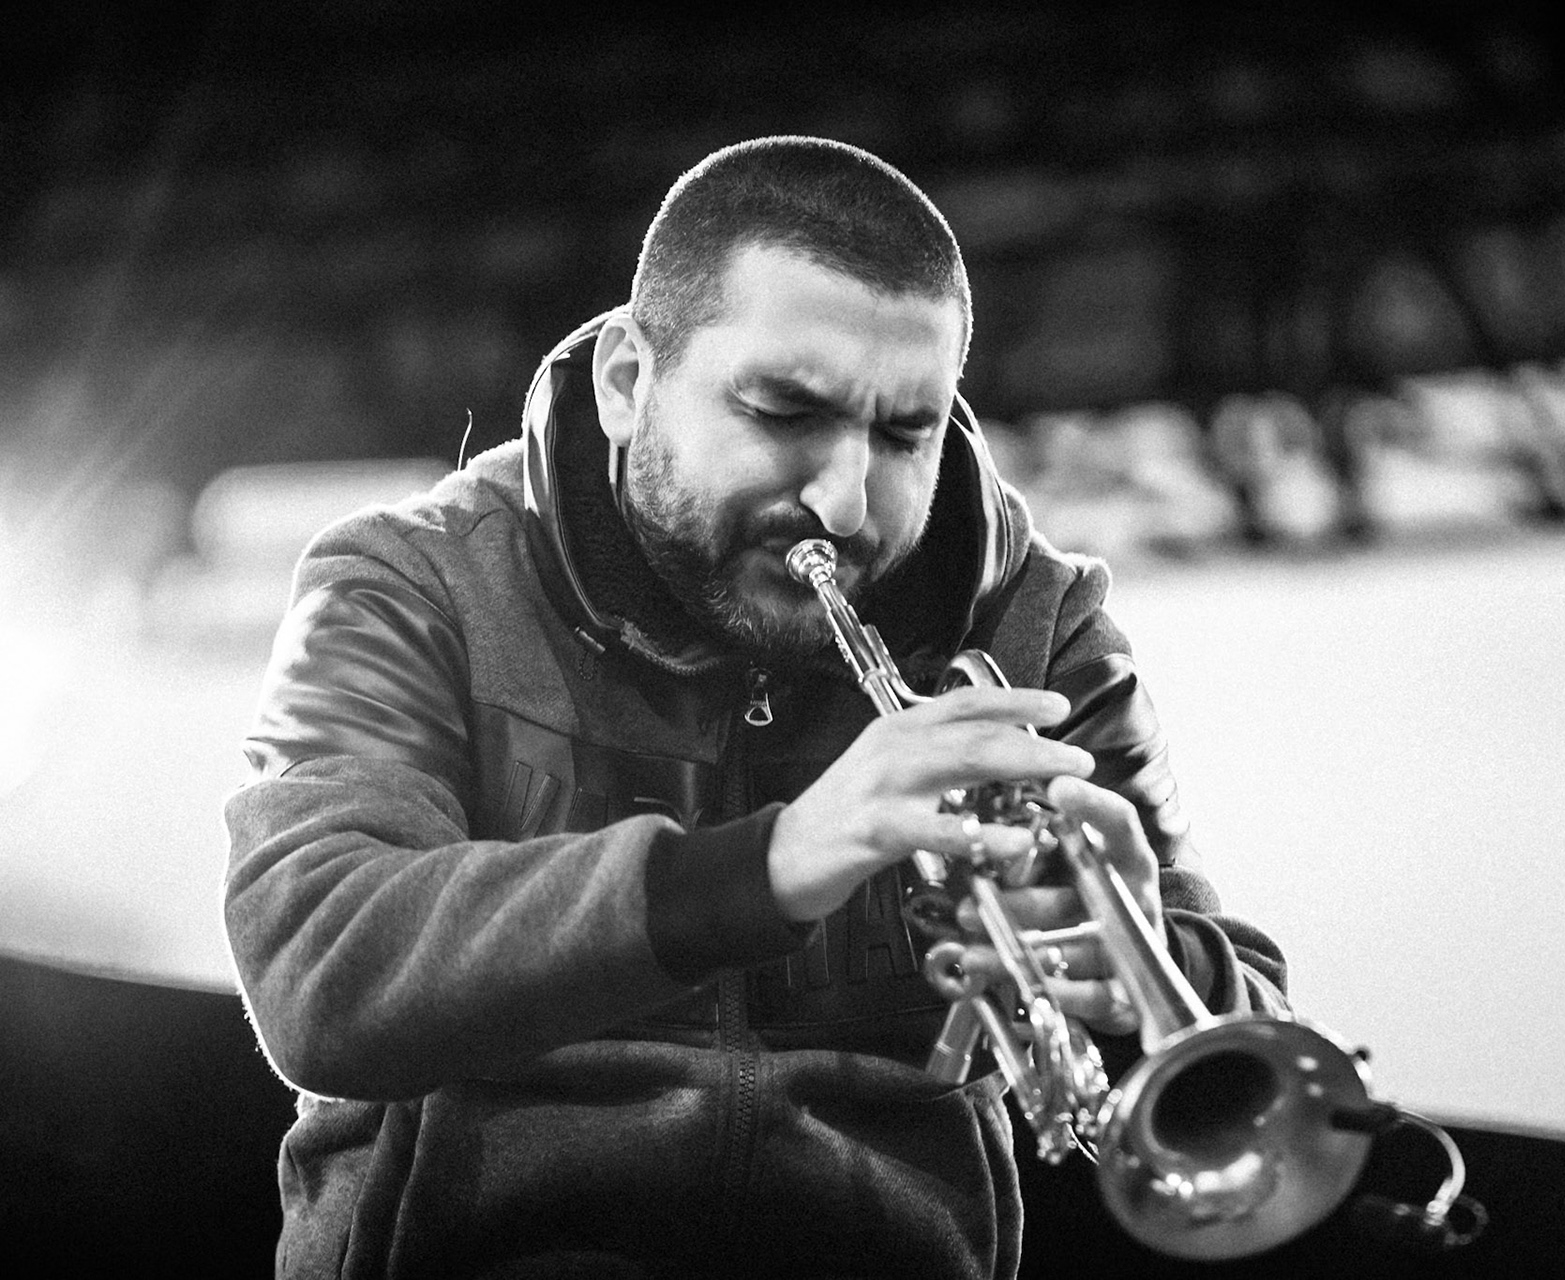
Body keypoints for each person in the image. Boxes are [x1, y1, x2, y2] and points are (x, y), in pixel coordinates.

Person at [224, 135, 1290, 1280]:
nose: (842, 496)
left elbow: (1253, 1032)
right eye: (786, 412)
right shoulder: (408, 581)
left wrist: (1134, 965)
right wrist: (770, 864)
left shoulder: (1040, 620)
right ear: (630, 382)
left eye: (902, 434)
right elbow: (321, 968)